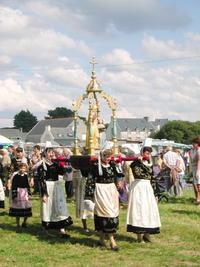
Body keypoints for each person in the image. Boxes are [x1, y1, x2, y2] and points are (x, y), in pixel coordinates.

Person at [87, 148, 124, 251]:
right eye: (106, 156)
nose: (108, 159)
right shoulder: (95, 167)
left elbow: (120, 174)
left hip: (111, 191)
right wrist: (88, 197)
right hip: (101, 191)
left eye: (109, 156)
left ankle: (101, 240)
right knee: (104, 214)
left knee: (111, 213)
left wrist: (119, 181)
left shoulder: (113, 165)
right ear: (101, 156)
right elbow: (90, 181)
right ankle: (112, 241)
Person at [126, 146, 161, 243]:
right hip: (138, 187)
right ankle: (139, 236)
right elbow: (139, 174)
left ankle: (147, 234)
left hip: (148, 188)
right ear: (142, 153)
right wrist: (140, 162)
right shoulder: (135, 164)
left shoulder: (150, 164)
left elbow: (152, 178)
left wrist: (156, 193)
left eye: (149, 153)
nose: (148, 155)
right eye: (146, 153)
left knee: (148, 211)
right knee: (139, 210)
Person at [37, 148, 73, 238]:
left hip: (57, 187)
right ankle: (47, 229)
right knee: (48, 207)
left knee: (59, 206)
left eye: (52, 153)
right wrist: (44, 193)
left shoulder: (56, 164)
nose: (51, 154)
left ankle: (62, 230)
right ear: (45, 154)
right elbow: (41, 180)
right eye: (49, 153)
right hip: (47, 186)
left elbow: (63, 172)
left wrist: (64, 165)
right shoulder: (42, 166)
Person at [9, 163, 32, 227]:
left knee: (27, 208)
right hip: (18, 193)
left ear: (26, 169)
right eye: (21, 168)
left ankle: (24, 222)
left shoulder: (26, 176)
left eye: (24, 168)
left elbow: (27, 186)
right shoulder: (16, 176)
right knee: (18, 210)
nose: (22, 169)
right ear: (19, 168)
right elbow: (14, 186)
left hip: (25, 193)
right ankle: (18, 224)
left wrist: (29, 194)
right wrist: (14, 196)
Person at [191, 137, 200, 204]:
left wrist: (197, 171)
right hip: (194, 168)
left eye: (194, 143)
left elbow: (199, 161)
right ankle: (197, 198)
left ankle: (198, 199)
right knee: (195, 184)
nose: (193, 144)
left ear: (197, 143)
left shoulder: (199, 150)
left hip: (198, 169)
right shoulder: (194, 150)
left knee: (198, 185)